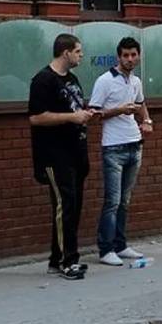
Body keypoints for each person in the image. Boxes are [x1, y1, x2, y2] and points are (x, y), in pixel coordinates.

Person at [28, 34, 98, 280]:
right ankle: (68, 261)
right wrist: (72, 117)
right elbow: (36, 117)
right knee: (64, 205)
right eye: (78, 51)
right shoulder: (43, 80)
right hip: (54, 155)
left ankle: (57, 259)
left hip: (76, 151)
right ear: (66, 52)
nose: (81, 55)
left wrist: (84, 114)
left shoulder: (72, 79)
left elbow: (74, 109)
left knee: (74, 206)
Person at [89, 37, 152, 266]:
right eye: (125, 55)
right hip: (113, 148)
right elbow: (94, 114)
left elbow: (141, 103)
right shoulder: (105, 81)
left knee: (125, 200)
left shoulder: (136, 81)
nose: (130, 59)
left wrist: (147, 121)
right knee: (112, 201)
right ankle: (106, 249)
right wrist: (119, 110)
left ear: (139, 56)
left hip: (134, 144)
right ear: (118, 57)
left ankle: (120, 245)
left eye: (133, 55)